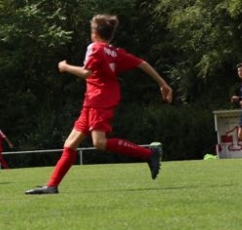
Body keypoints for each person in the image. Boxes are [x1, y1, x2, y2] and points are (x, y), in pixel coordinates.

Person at [25, 14, 172, 195]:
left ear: (94, 33)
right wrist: (163, 84)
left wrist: (65, 67)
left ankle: (149, 154)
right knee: (70, 144)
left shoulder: (94, 48)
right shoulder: (115, 52)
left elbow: (86, 73)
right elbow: (142, 63)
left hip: (99, 100)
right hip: (93, 102)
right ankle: (52, 186)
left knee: (99, 142)